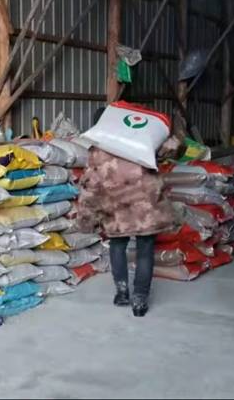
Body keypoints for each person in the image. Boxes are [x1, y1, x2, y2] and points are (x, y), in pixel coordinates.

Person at [77, 110, 181, 317]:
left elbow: (91, 187)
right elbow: (174, 147)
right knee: (145, 250)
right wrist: (177, 129)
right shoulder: (142, 141)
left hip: (116, 209)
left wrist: (86, 219)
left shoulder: (97, 152)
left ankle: (122, 292)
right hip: (146, 207)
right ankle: (140, 299)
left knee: (117, 246)